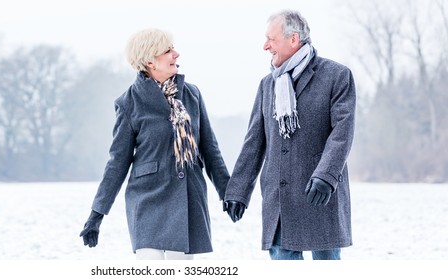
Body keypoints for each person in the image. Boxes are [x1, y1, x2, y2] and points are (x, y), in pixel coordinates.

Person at [79, 28, 230, 260]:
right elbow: (117, 163)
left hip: (187, 198)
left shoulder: (191, 95)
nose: (176, 54)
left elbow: (210, 150)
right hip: (148, 200)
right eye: (168, 51)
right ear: (149, 60)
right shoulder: (129, 102)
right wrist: (96, 214)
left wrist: (228, 193)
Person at [224, 10, 356, 260]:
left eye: (271, 39)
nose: (265, 46)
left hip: (320, 194)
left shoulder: (336, 76)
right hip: (280, 199)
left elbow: (342, 133)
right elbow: (254, 141)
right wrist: (238, 191)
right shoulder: (268, 84)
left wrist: (326, 176)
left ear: (293, 39)